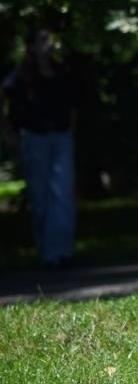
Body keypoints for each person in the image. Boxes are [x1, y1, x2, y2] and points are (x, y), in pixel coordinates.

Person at [1, 28, 79, 268]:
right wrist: (10, 135)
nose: (49, 44)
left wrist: (71, 130)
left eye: (51, 39)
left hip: (61, 135)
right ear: (32, 46)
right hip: (35, 138)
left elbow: (72, 104)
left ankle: (63, 251)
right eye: (43, 40)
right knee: (41, 196)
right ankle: (48, 253)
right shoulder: (20, 76)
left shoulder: (61, 71)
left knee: (63, 194)